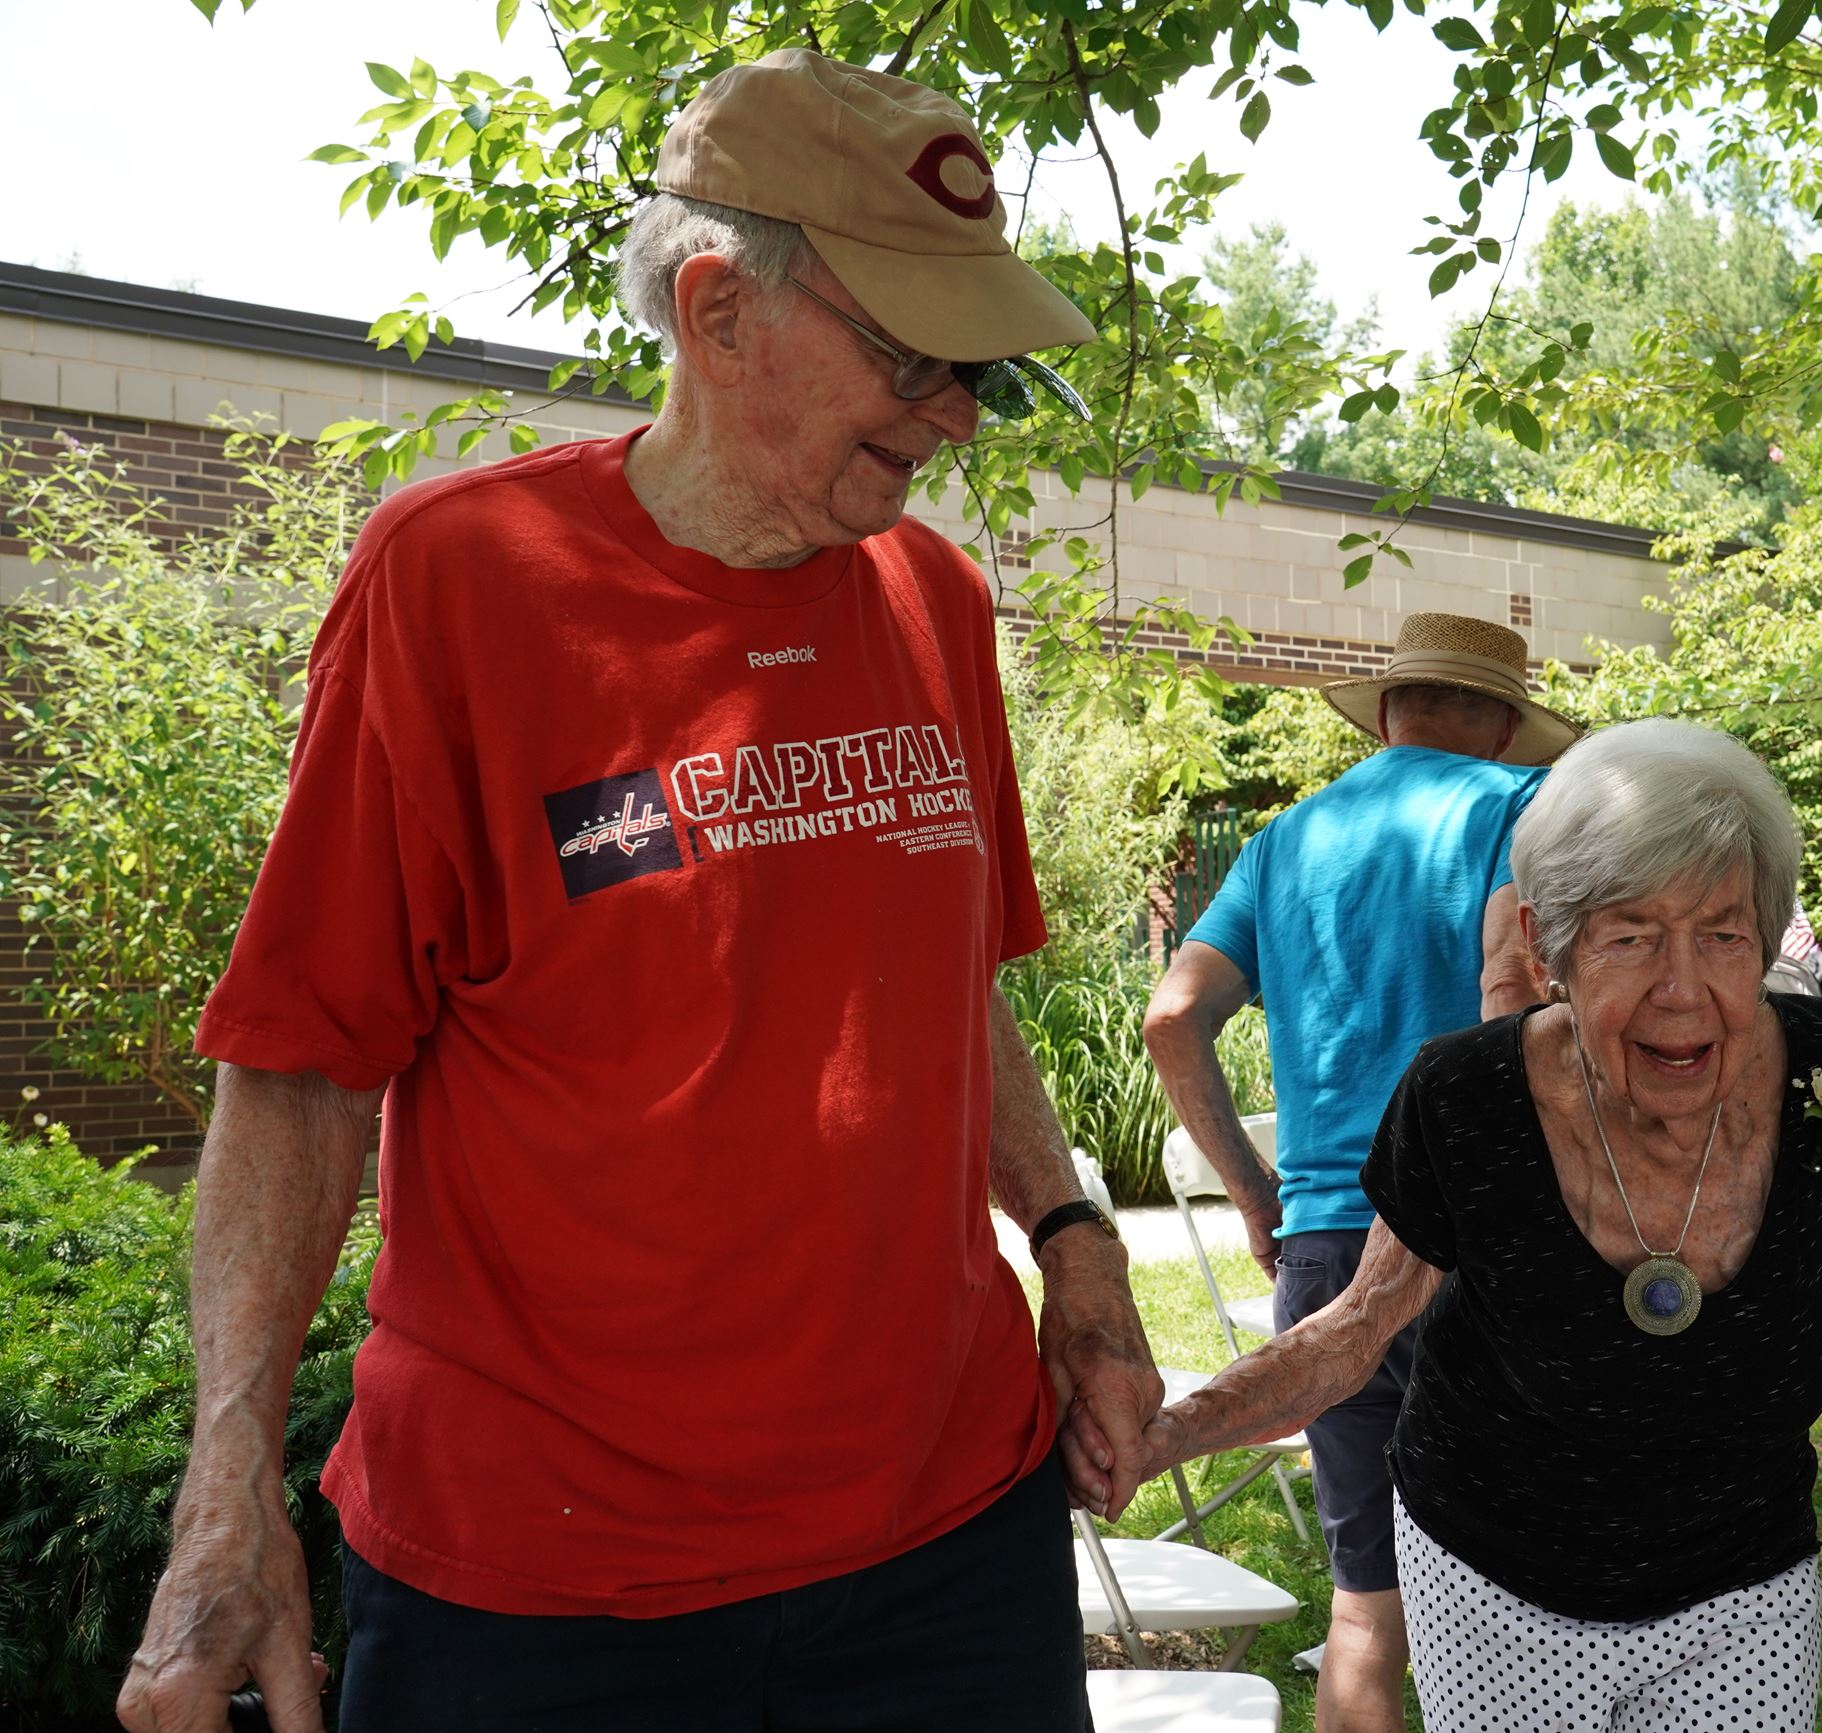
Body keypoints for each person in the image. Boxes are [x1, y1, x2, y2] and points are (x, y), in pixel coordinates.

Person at [116, 51, 1163, 1733]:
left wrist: (1076, 1241)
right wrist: (225, 1474)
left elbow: (944, 985)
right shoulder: (455, 585)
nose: (959, 413)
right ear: (715, 308)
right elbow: (306, 1064)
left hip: (947, 1544)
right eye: (910, 358)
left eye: (972, 368)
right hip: (546, 1585)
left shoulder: (935, 604)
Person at [1116, 719, 1822, 1732]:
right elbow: (1356, 1327)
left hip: (1740, 1577)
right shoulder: (1464, 1099)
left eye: (1721, 933)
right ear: (1546, 947)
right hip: (1494, 1574)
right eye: (1629, 935)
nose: (1682, 986)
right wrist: (1164, 1432)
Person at [1140, 612, 1575, 1733]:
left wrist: (1256, 1190)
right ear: (1498, 722)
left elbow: (1172, 1014)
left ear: (1388, 709)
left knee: (1364, 1610)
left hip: (1327, 1245)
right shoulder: (1518, 809)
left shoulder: (1281, 839)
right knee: (1535, 1596)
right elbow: (1512, 997)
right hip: (1481, 1245)